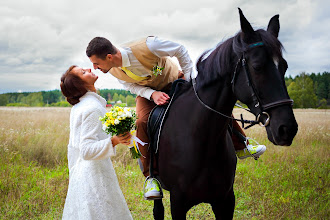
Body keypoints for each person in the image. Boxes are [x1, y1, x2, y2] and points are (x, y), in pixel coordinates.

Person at [86, 36, 266, 200]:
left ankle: (242, 144)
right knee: (141, 122)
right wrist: (152, 94)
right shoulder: (112, 70)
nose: (95, 68)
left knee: (210, 102)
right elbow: (132, 87)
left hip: (177, 81)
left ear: (109, 56)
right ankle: (151, 177)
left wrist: (188, 79)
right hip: (148, 94)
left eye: (96, 63)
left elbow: (180, 49)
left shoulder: (149, 45)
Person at [60, 65, 133, 220]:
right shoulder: (92, 108)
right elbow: (86, 150)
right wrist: (114, 140)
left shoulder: (80, 106)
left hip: (83, 172)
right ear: (81, 84)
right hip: (93, 176)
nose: (89, 69)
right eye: (84, 72)